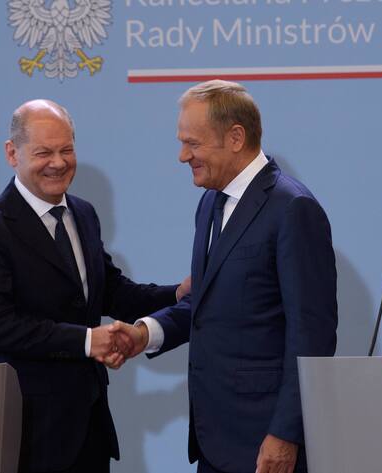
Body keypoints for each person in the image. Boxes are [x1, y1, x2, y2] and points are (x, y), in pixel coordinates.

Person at [113, 80, 338, 473]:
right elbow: (206, 305)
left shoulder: (292, 208)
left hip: (265, 442)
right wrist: (145, 333)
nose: (183, 156)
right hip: (214, 441)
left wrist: (286, 433)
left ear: (236, 137)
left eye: (193, 144)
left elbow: (312, 336)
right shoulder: (209, 203)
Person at [0, 99, 188, 473]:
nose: (59, 162)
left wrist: (175, 294)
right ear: (12, 153)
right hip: (27, 434)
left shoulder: (83, 213)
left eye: (66, 150)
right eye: (44, 152)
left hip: (89, 424)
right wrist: (85, 341)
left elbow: (111, 291)